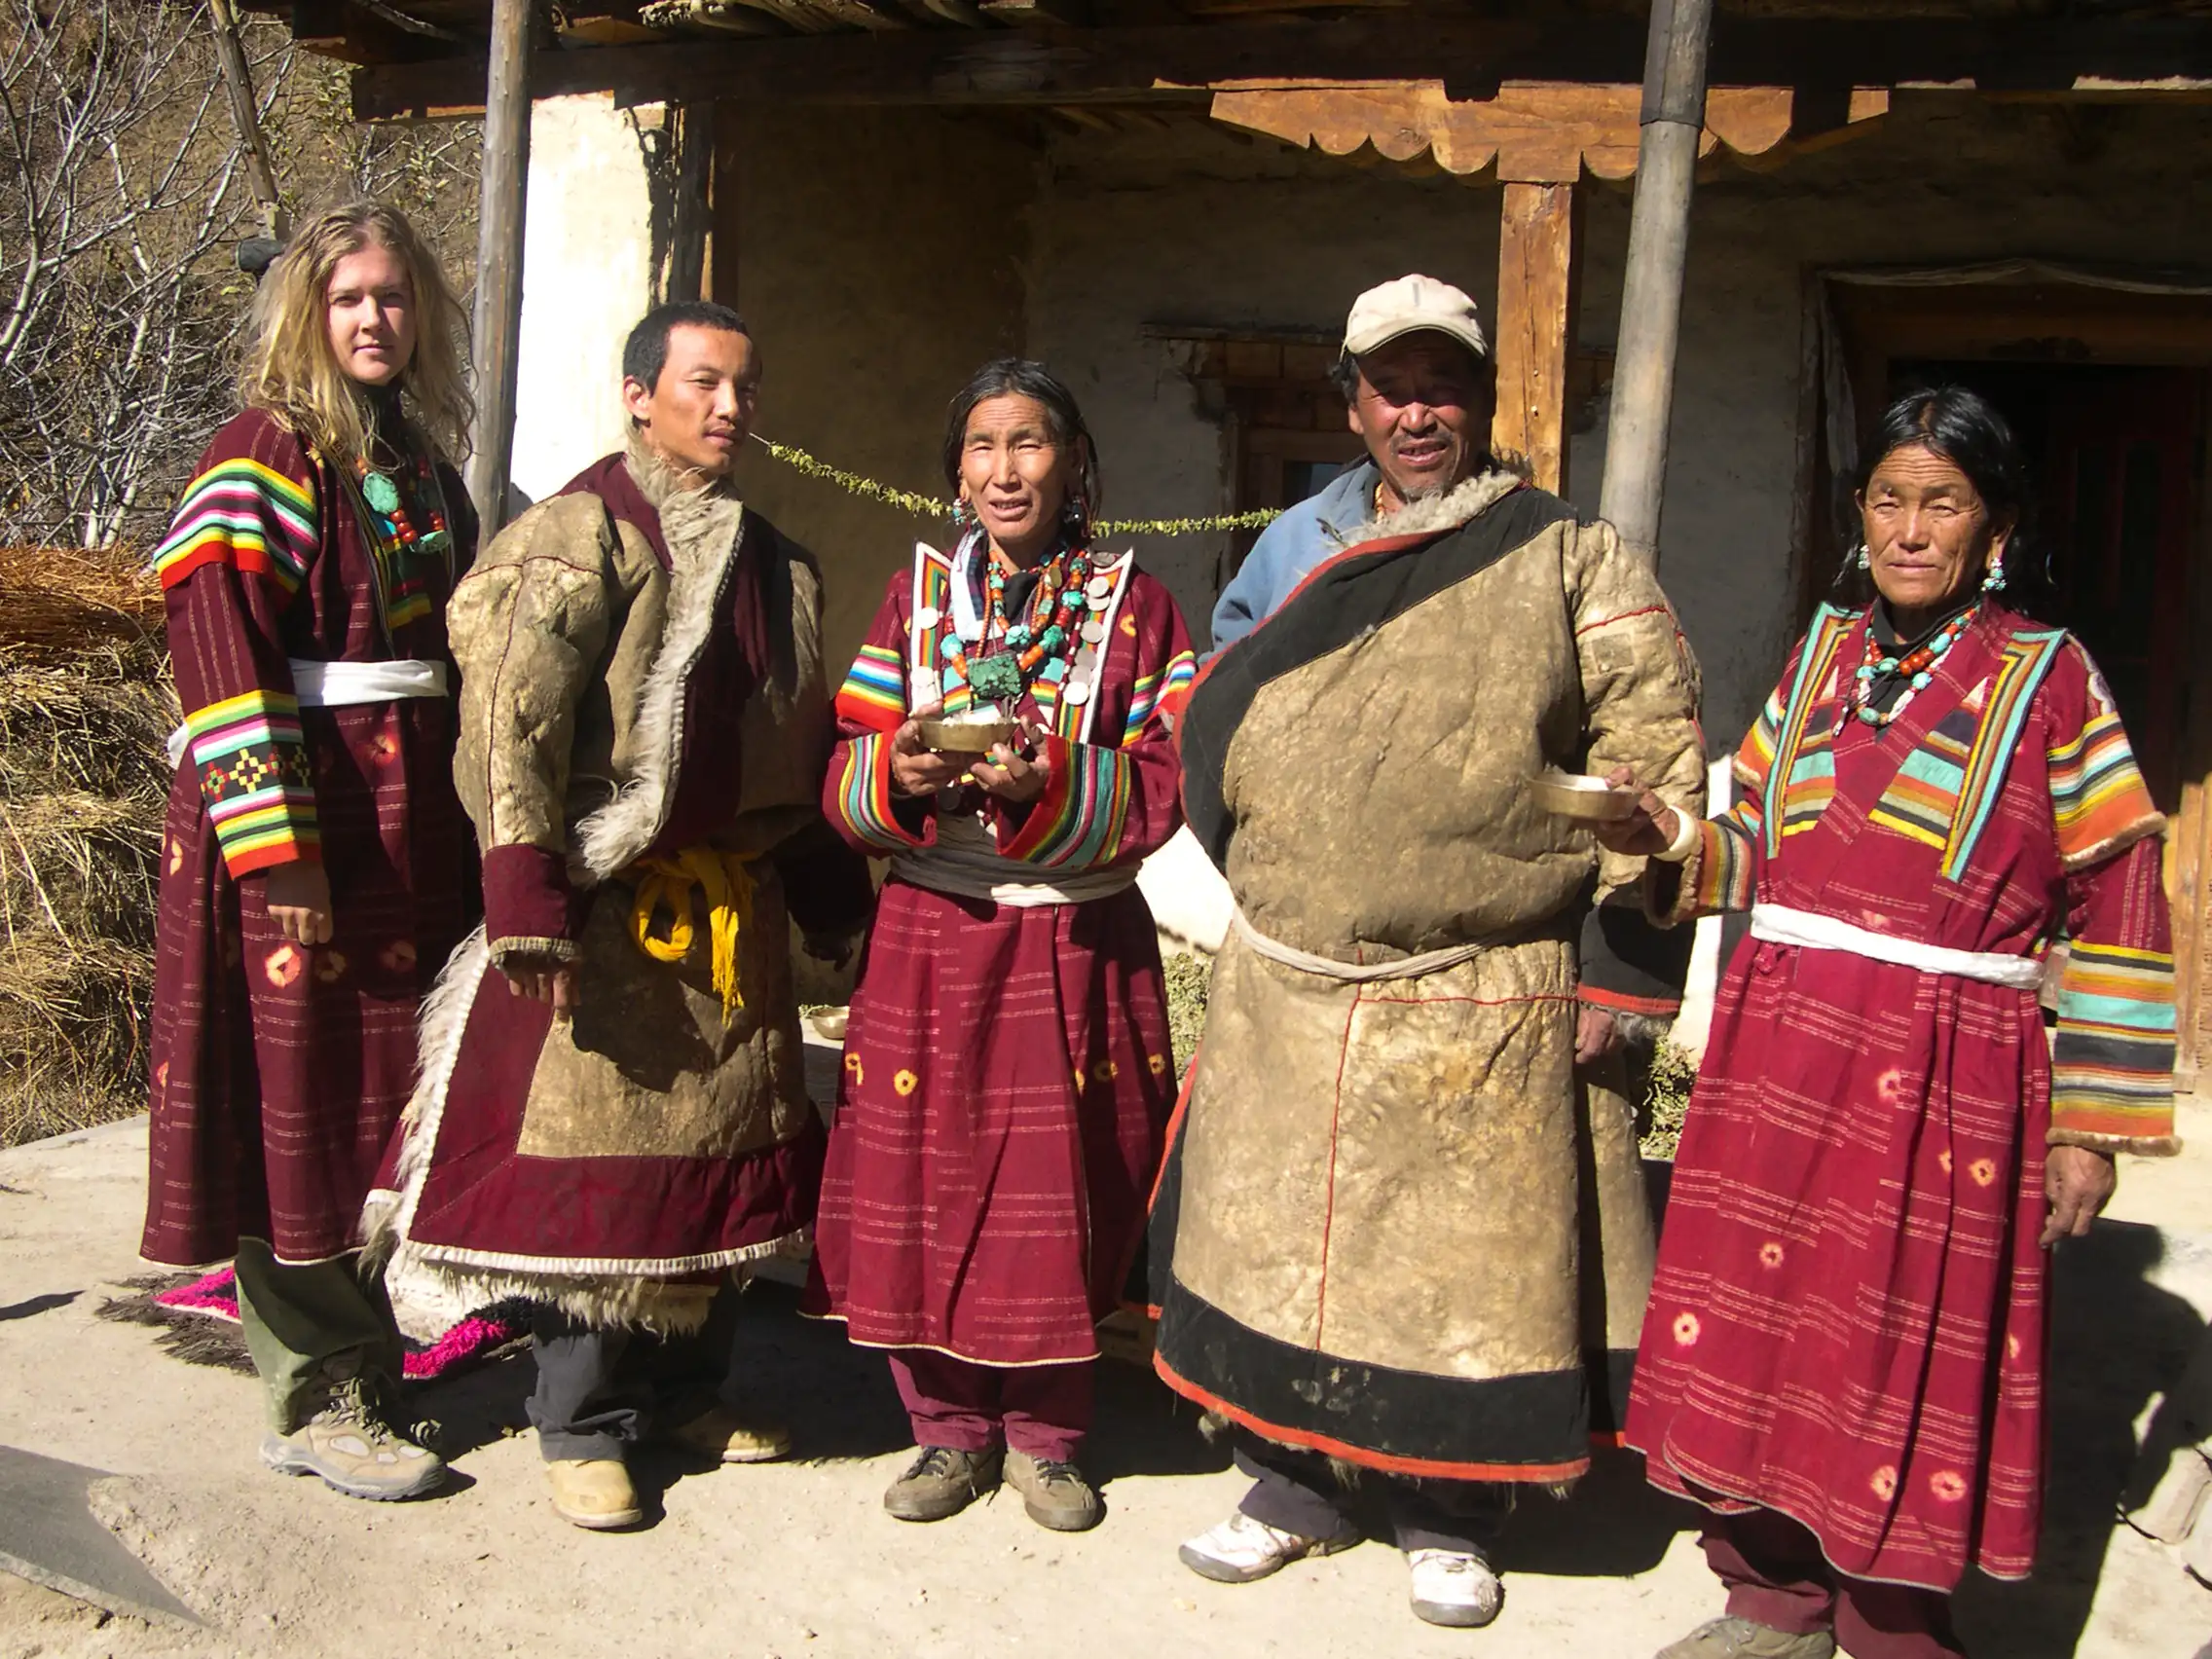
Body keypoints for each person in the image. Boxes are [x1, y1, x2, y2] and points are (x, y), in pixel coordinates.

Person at [1149, 273, 1708, 1628]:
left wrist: (1622, 979)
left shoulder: (1569, 554)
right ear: (1350, 400)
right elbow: (1216, 706)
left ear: (1484, 400)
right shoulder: (1296, 546)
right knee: (1283, 1245)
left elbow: (1655, 756)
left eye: (1443, 384)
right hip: (1298, 977)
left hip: (1481, 987)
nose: (1419, 409)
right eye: (1391, 385)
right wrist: (1268, 868)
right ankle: (1291, 1481)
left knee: (1461, 1277)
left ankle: (1449, 1505)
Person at [1605, 386, 2178, 1659]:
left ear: (1994, 527)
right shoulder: (1822, 654)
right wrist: (1670, 843)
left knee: (1894, 1348)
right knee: (1757, 1328)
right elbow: (1753, 849)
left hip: (1940, 1073)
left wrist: (2092, 1124)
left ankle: (1889, 1624)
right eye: (1889, 500)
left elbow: (2122, 894)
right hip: (1780, 1048)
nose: (1911, 530)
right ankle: (1771, 1596)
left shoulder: (2048, 677)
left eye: (1944, 504)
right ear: (1860, 515)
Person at [363, 300, 873, 1530]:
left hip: (729, 914)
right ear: (639, 393)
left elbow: (791, 748)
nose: (731, 408)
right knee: (600, 1179)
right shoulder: (574, 535)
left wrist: (826, 894)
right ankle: (580, 1421)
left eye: (746, 386)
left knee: (714, 1172)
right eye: (704, 383)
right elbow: (510, 723)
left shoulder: (777, 560)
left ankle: (687, 1394)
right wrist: (524, 899)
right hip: (604, 909)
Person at [805, 359, 1196, 1533]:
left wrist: (1055, 781)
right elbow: (843, 770)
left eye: (1028, 443)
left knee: (1071, 1176)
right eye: (980, 447)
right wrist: (900, 773)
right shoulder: (913, 596)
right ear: (955, 472)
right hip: (931, 930)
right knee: (917, 1174)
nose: (1003, 469)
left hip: (1074, 936)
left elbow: (1170, 781)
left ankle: (1052, 1438)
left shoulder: (1139, 605)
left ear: (1073, 462)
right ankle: (944, 1430)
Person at [141, 202, 477, 1500]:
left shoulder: (420, 465)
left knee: (387, 1099)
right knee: (296, 1109)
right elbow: (219, 653)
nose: (374, 320)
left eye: (394, 297)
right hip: (297, 820)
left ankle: (365, 1362)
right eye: (349, 300)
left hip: (410, 823)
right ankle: (314, 1390)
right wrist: (277, 857)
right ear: (306, 312)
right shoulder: (260, 456)